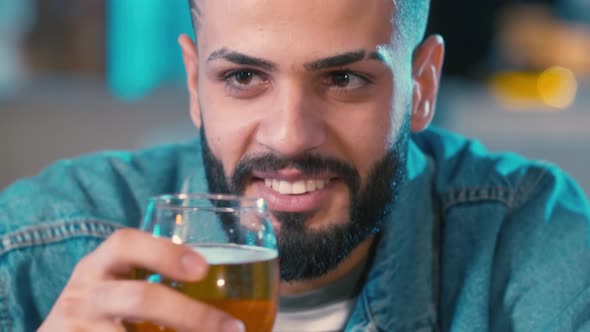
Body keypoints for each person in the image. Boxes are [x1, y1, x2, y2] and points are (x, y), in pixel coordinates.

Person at [1, 0, 589, 331]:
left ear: (422, 87)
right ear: (192, 83)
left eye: (344, 79)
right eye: (243, 78)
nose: (289, 136)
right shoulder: (36, 252)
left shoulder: (536, 245)